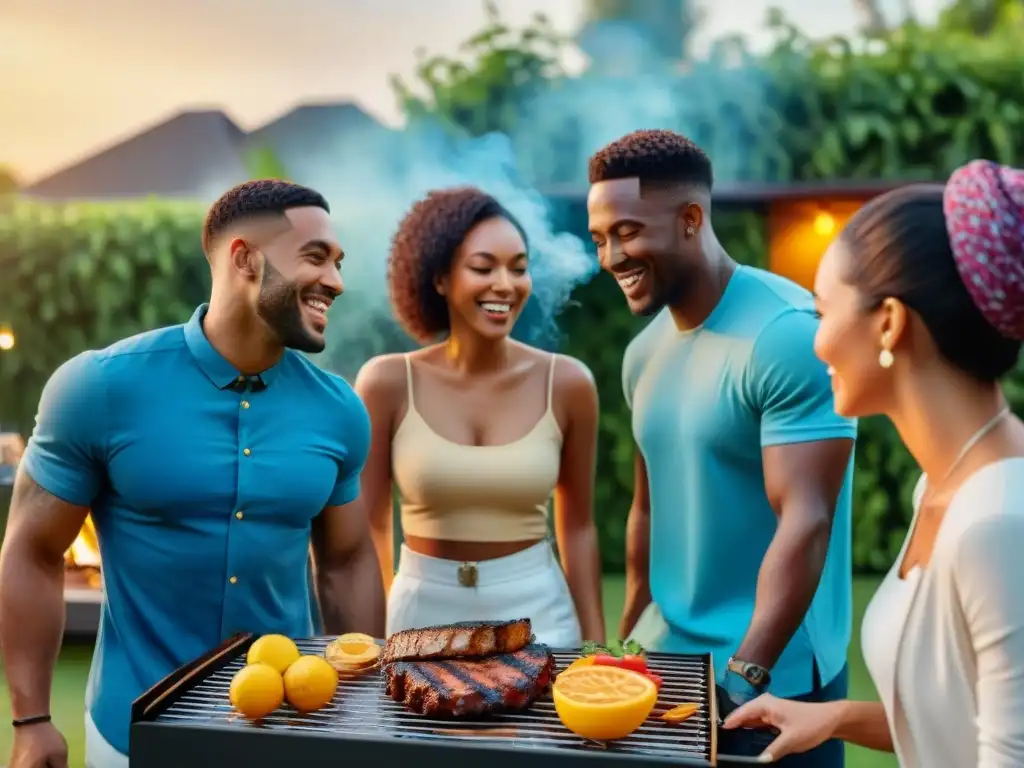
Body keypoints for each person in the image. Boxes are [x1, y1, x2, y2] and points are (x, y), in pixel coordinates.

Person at [0, 179, 385, 768]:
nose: (335, 280)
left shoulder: (338, 410)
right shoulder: (99, 387)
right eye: (315, 258)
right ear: (245, 259)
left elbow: (348, 559)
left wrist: (360, 709)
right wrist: (31, 719)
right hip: (132, 731)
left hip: (289, 731)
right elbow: (31, 551)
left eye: (337, 262)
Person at [724, 161, 1024, 767]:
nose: (815, 340)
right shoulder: (942, 487)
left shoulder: (997, 523)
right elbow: (970, 715)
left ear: (888, 323)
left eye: (822, 310)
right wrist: (836, 716)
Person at [586, 129, 857, 766]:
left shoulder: (788, 335)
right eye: (599, 239)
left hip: (775, 680)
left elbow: (807, 520)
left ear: (690, 219)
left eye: (626, 232)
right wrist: (631, 636)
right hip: (668, 661)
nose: (609, 257)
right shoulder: (641, 352)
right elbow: (649, 509)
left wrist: (743, 678)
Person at [354, 186, 605, 647]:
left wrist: (594, 644)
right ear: (439, 279)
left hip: (539, 616)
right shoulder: (387, 383)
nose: (505, 285)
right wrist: (368, 641)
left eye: (519, 268)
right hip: (419, 618)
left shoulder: (568, 384)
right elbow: (367, 528)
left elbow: (580, 527)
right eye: (483, 267)